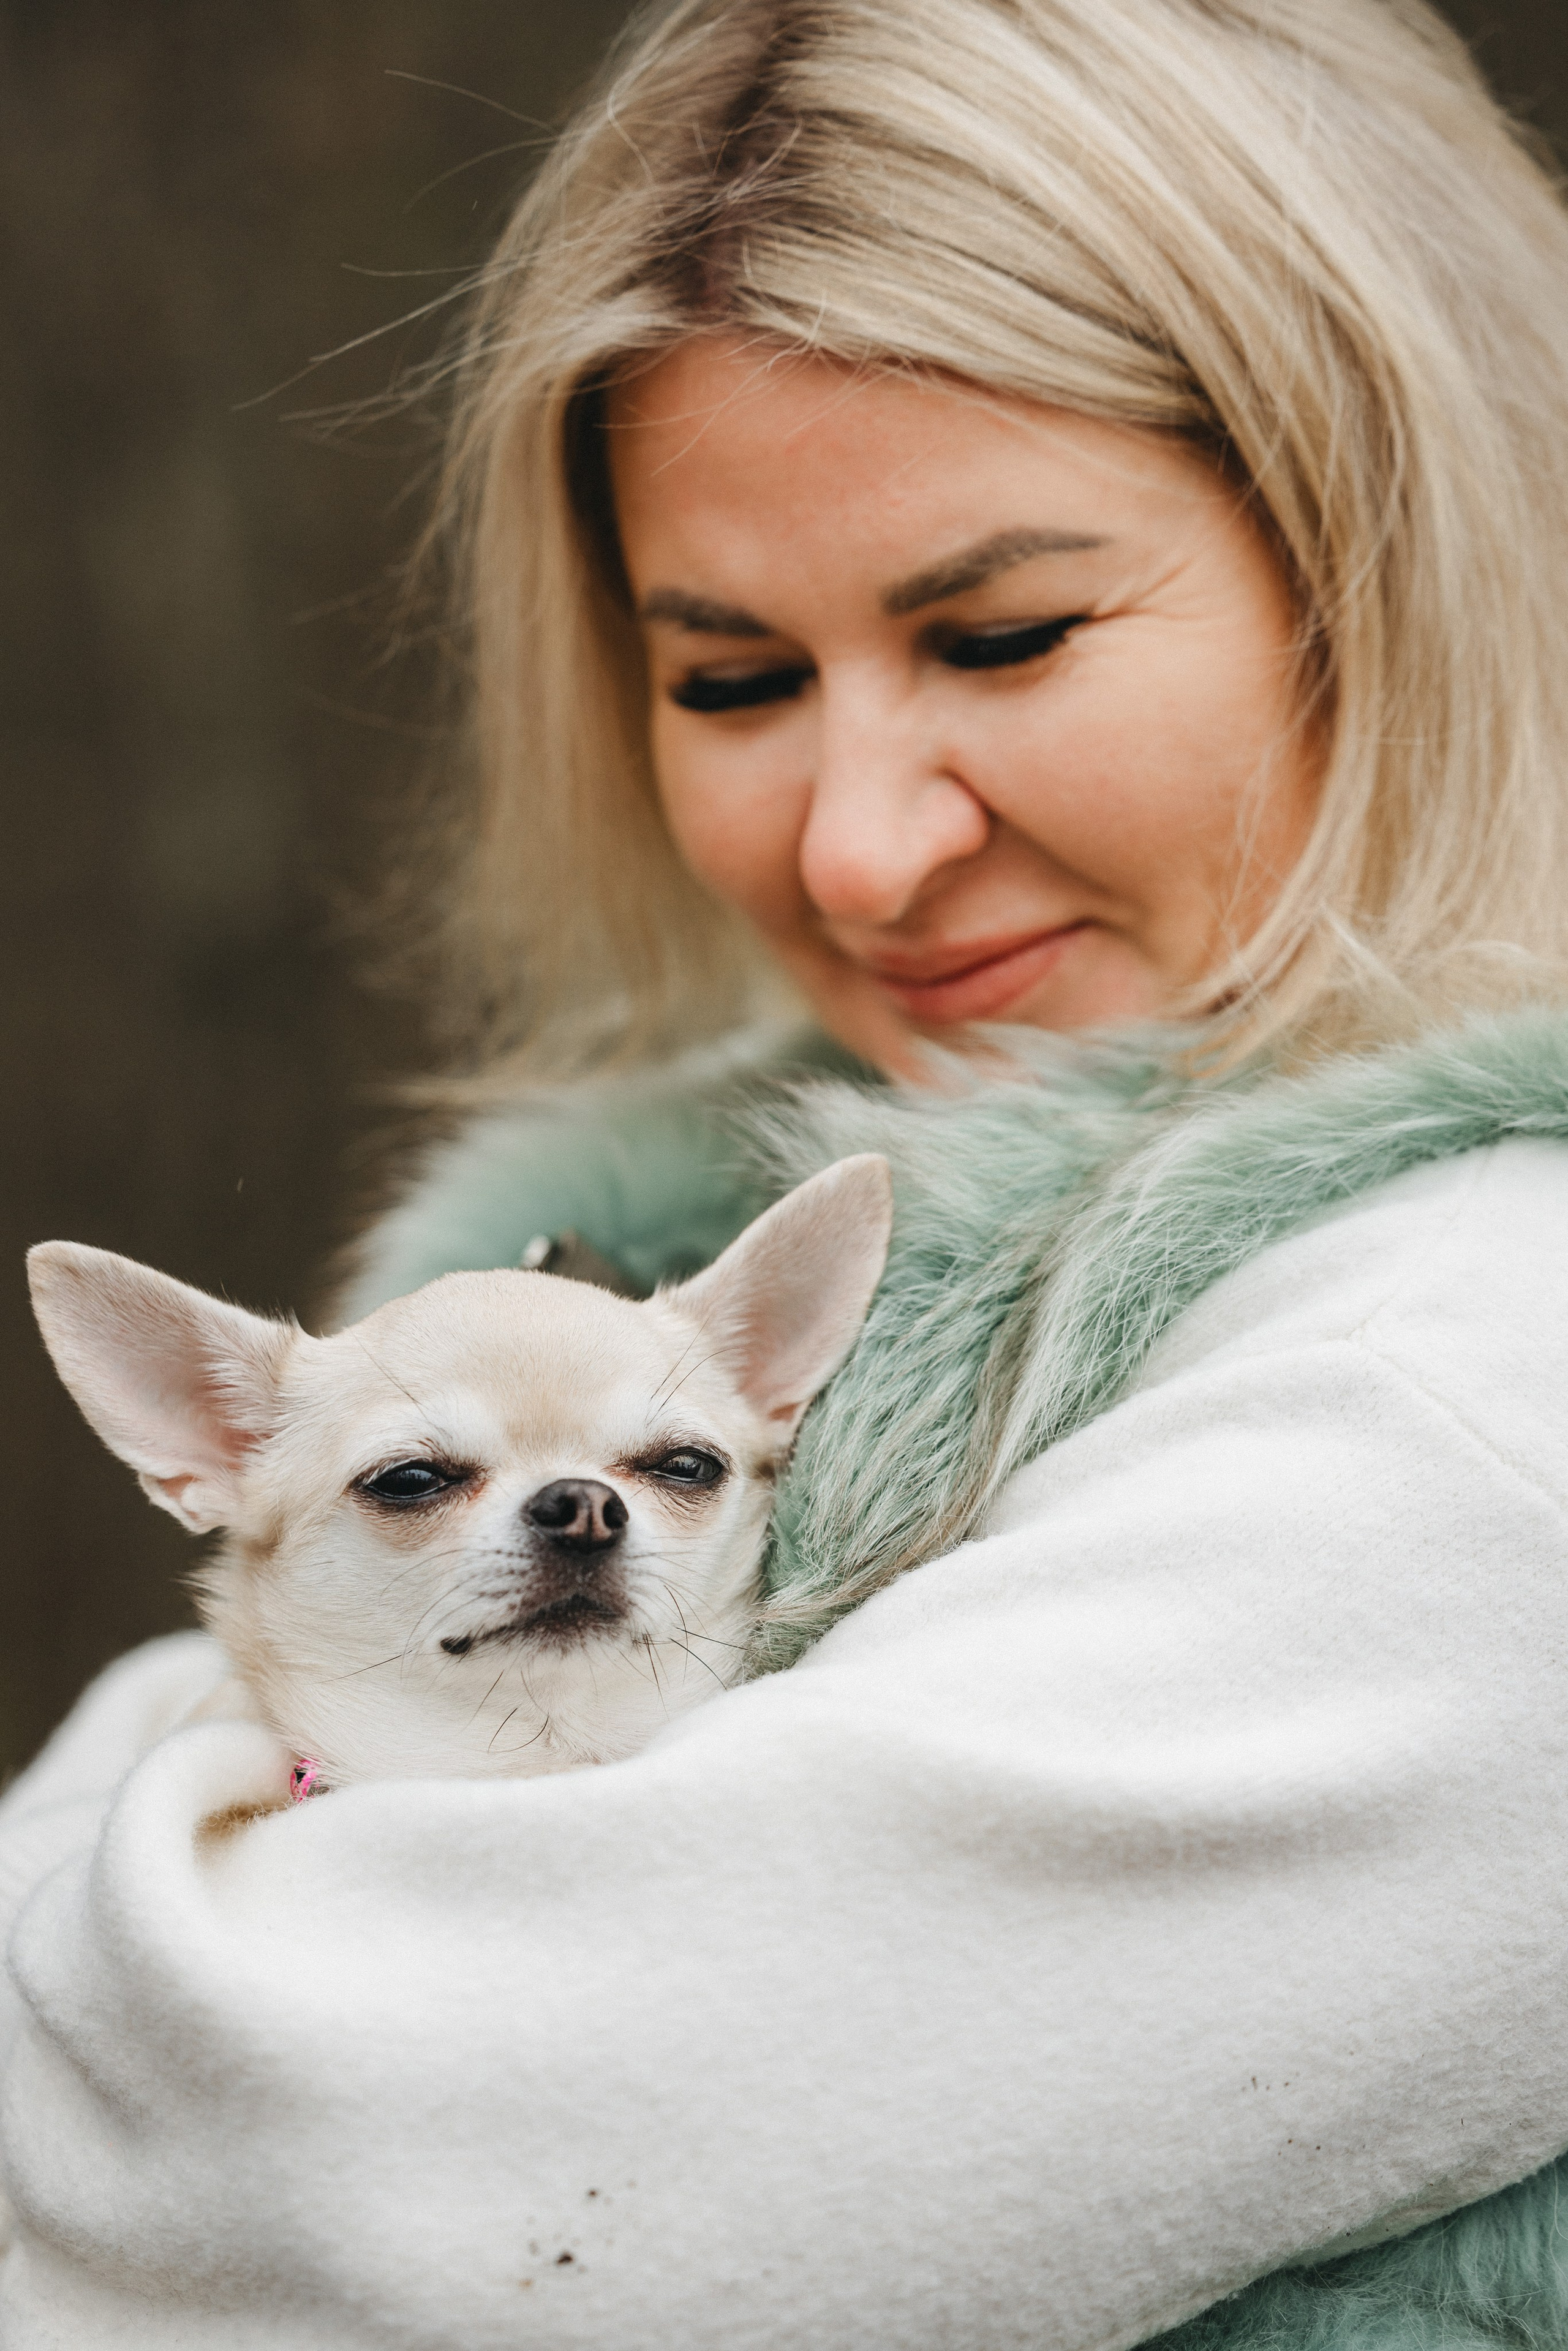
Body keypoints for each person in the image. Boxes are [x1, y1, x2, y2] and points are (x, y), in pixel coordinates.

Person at [5, 0, 1568, 2342]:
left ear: (1403, 557)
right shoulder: (661, 1259)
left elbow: (392, 2190)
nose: (857, 847)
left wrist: (140, 1844)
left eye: (1007, 633)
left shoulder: (1478, 1391)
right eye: (731, 680)